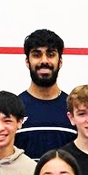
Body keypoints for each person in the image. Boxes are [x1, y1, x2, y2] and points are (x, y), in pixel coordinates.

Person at [16, 29, 75, 158]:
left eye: (51, 54)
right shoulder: (14, 108)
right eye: (37, 55)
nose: (44, 61)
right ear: (27, 61)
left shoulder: (75, 108)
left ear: (60, 61)